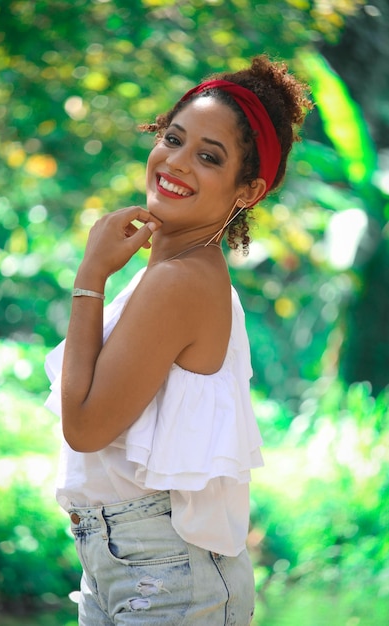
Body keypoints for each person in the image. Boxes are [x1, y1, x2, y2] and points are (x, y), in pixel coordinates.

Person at [45, 55, 311, 625]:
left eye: (209, 157)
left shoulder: (180, 280)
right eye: (173, 137)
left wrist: (90, 277)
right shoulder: (179, 271)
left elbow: (86, 428)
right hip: (134, 565)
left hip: (164, 576)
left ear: (248, 189)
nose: (177, 162)